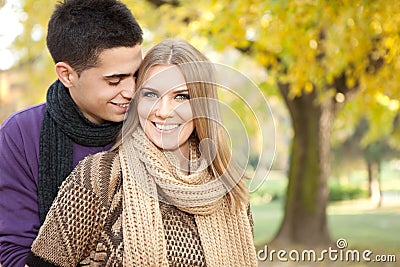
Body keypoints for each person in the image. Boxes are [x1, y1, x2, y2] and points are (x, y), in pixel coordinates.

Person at [25, 39, 258, 267]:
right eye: (151, 94)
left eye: (181, 96)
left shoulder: (228, 188)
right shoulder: (100, 178)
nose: (164, 111)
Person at [0, 0, 143, 266]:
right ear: (67, 75)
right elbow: (14, 252)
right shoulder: (20, 134)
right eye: (114, 80)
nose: (132, 91)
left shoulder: (154, 125)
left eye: (137, 74)